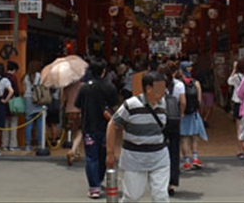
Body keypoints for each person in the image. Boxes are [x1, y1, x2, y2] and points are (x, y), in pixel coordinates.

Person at [106, 70, 170, 202]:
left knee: (161, 197)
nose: (163, 92)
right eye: (160, 88)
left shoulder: (164, 103)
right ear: (148, 88)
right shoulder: (131, 105)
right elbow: (113, 125)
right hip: (134, 158)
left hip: (159, 157)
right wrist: (110, 152)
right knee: (132, 197)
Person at [77, 58, 119, 199]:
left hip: (89, 125)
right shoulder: (110, 87)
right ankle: (99, 180)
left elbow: (79, 106)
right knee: (102, 156)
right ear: (103, 71)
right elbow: (115, 107)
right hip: (107, 127)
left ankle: (94, 187)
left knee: (91, 157)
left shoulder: (84, 87)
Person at [160, 62, 185, 197]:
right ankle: (171, 183)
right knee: (174, 151)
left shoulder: (157, 84)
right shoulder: (179, 85)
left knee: (158, 150)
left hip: (159, 121)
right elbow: (183, 102)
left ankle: (160, 181)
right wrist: (180, 114)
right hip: (174, 121)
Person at [179, 61, 207, 171]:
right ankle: (195, 158)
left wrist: (181, 111)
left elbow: (179, 100)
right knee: (195, 137)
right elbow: (199, 100)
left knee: (184, 138)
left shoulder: (178, 84)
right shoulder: (196, 83)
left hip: (183, 114)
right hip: (194, 114)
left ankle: (186, 162)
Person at [227, 59, 244, 159]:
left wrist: (234, 69)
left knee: (239, 128)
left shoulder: (236, 77)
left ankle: (240, 150)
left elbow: (229, 81)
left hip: (238, 104)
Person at [23, 60, 44, 151]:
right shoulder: (39, 76)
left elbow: (24, 90)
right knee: (40, 123)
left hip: (28, 100)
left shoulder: (25, 77)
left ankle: (28, 144)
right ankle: (40, 144)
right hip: (38, 100)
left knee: (28, 124)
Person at [63, 77, 84, 165]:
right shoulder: (83, 86)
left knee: (73, 131)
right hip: (79, 111)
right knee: (81, 131)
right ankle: (73, 150)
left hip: (69, 111)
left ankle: (76, 153)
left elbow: (63, 100)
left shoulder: (67, 87)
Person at [2, 61, 21, 152]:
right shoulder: (13, 78)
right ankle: (13, 145)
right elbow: (16, 92)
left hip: (3, 103)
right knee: (13, 124)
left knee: (5, 125)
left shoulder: (2, 77)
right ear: (14, 69)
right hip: (12, 103)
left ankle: (4, 144)